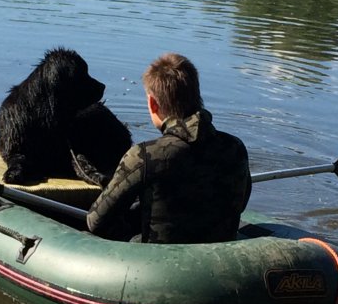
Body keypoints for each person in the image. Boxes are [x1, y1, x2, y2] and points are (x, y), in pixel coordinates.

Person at [86, 52, 251, 244]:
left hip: (158, 265)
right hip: (219, 258)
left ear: (153, 103)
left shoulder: (144, 156)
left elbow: (96, 221)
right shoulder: (235, 147)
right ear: (197, 95)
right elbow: (240, 205)